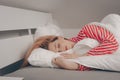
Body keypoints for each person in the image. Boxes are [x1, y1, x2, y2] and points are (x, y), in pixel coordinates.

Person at [22, 23, 119, 71]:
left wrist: (83, 55)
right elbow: (94, 63)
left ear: (60, 37)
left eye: (58, 45)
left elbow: (112, 43)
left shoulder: (86, 31)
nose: (62, 49)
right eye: (58, 51)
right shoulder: (71, 53)